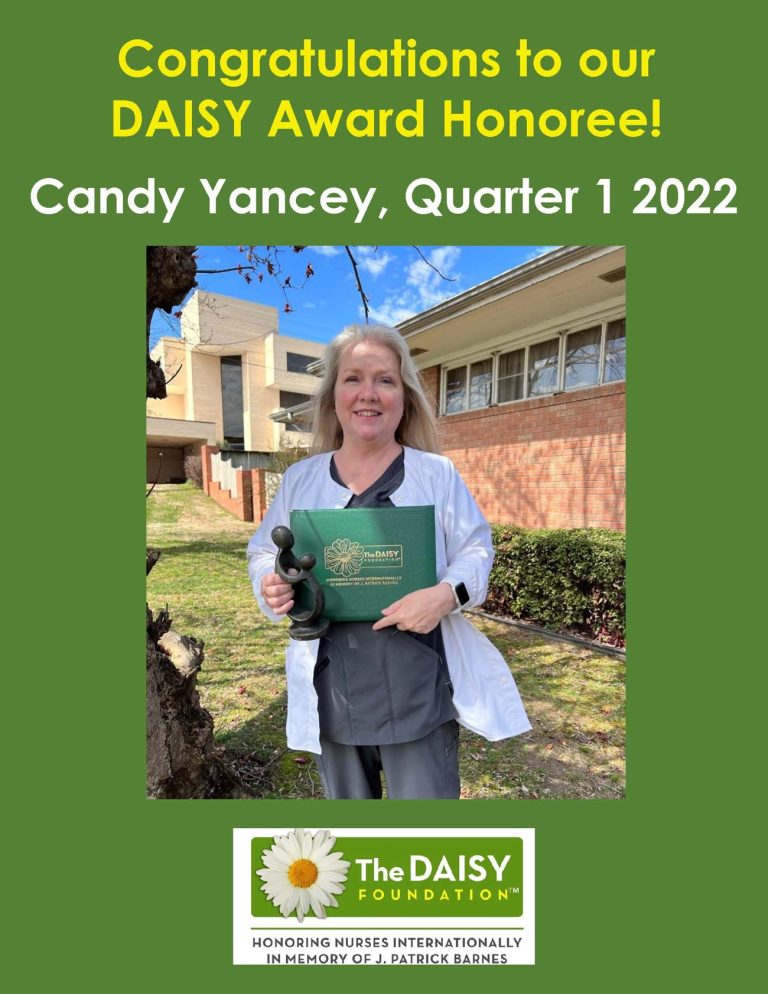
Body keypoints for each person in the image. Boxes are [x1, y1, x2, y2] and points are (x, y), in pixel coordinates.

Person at [247, 324, 530, 799]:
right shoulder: (301, 480)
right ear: (333, 396)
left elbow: (476, 550)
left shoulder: (435, 475)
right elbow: (263, 552)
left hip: (417, 693)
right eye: (353, 378)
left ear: (404, 396)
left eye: (385, 380)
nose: (368, 394)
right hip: (332, 696)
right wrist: (270, 581)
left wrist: (445, 595)